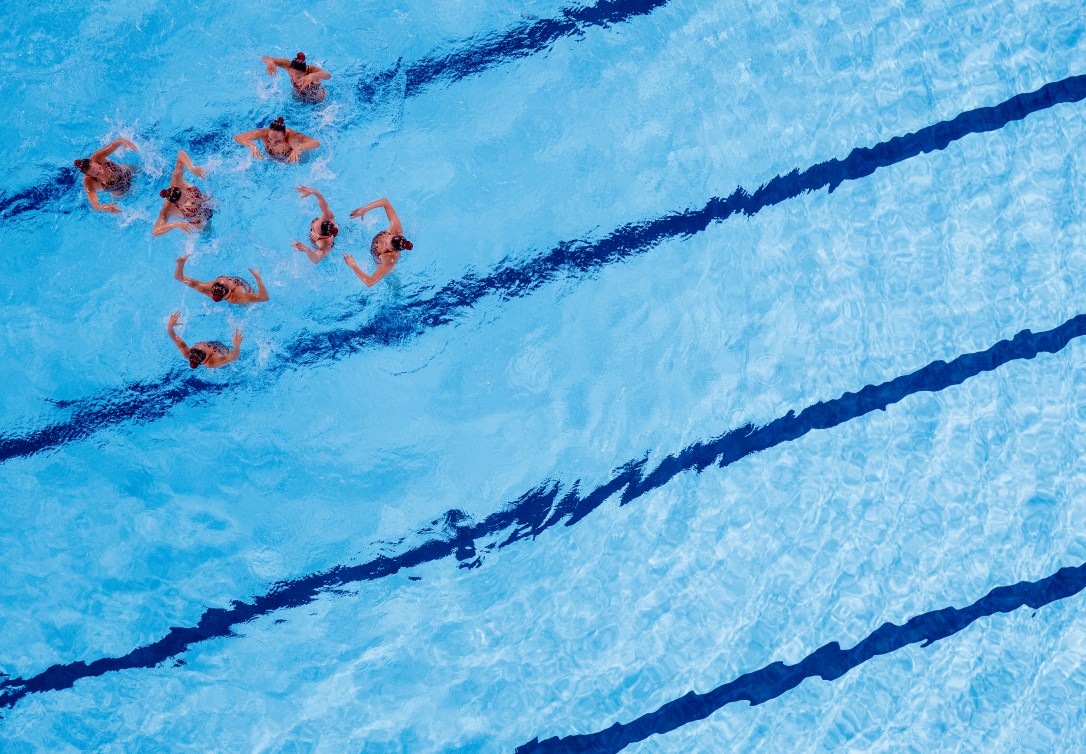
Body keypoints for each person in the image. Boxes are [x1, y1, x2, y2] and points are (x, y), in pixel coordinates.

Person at [343, 197, 412, 287]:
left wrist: (353, 265)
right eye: (388, 236)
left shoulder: (389, 259)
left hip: (380, 263)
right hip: (373, 246)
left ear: (392, 250)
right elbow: (385, 201)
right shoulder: (396, 229)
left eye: (386, 243)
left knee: (390, 278)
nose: (384, 239)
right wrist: (364, 209)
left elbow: (370, 282)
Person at [153, 150, 212, 236]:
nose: (191, 200)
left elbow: (180, 154)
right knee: (209, 235)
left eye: (186, 196)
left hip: (208, 203)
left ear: (182, 189)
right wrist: (175, 224)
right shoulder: (168, 210)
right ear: (177, 205)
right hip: (201, 222)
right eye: (185, 202)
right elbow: (155, 232)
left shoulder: (177, 180)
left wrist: (191, 167)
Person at [75, 137, 138, 213]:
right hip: (124, 193)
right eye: (97, 174)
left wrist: (124, 141)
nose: (102, 172)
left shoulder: (98, 156)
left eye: (99, 167)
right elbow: (94, 204)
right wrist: (104, 207)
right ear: (89, 175)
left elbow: (116, 142)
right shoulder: (89, 183)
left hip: (129, 170)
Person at [174, 255, 269, 304]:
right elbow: (264, 298)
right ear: (232, 288)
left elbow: (179, 277)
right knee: (247, 304)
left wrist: (180, 264)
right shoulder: (238, 296)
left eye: (224, 277)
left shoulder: (206, 287)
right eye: (229, 279)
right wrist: (258, 280)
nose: (228, 277)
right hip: (247, 293)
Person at [167, 312, 243, 369]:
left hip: (214, 344)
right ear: (208, 353)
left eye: (199, 343)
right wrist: (237, 346)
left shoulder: (189, 353)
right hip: (223, 351)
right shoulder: (213, 362)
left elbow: (173, 337)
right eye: (205, 345)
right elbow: (234, 357)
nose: (203, 342)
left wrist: (170, 326)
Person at [234, 117, 319, 163]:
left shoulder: (292, 136)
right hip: (273, 161)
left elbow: (315, 142)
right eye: (270, 139)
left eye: (278, 141)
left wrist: (298, 148)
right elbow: (238, 136)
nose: (273, 143)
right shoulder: (263, 133)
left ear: (285, 135)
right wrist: (251, 145)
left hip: (298, 164)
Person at [291, 186, 338, 263]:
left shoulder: (325, 246)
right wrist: (312, 191)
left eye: (312, 229)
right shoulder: (328, 217)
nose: (312, 224)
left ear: (318, 237)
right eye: (317, 220)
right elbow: (321, 199)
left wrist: (308, 250)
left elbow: (316, 259)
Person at [260, 52, 331, 103]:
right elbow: (264, 58)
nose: (294, 80)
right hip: (297, 98)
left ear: (305, 72)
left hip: (318, 102)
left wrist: (313, 75)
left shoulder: (311, 71)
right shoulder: (288, 65)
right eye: (291, 76)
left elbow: (328, 76)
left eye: (298, 77)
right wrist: (270, 62)